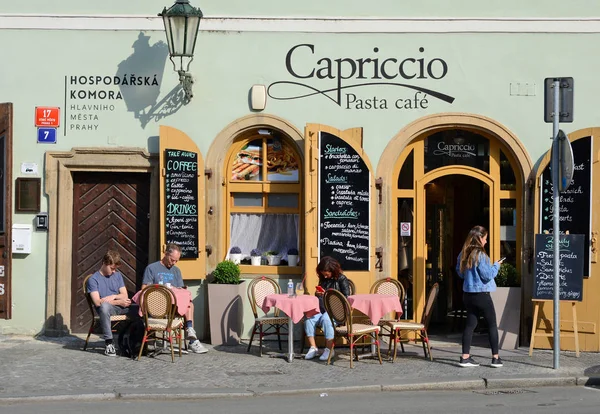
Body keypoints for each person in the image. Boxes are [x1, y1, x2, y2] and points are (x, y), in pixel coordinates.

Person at [141, 243, 208, 354]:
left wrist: (180, 289)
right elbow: (144, 288)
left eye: (177, 261)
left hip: (173, 307)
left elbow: (180, 289)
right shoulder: (152, 268)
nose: (174, 263)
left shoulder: (176, 271)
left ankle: (191, 336)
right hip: (157, 305)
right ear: (166, 254)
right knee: (187, 304)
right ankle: (191, 340)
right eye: (172, 260)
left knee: (189, 304)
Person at [455, 225, 504, 368]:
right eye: (485, 238)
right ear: (479, 238)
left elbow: (460, 273)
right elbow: (487, 275)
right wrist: (496, 265)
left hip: (468, 295)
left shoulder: (463, 253)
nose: (486, 242)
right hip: (482, 294)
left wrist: (470, 277)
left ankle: (465, 357)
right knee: (492, 325)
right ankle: (496, 358)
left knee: (470, 325)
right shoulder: (481, 255)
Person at [86, 250, 137, 357]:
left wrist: (113, 296)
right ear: (104, 263)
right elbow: (98, 302)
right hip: (107, 310)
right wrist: (119, 301)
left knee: (140, 308)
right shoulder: (93, 279)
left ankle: (136, 343)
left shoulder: (117, 276)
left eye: (115, 269)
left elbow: (125, 295)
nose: (114, 271)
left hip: (121, 307)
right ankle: (109, 343)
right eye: (112, 268)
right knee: (104, 306)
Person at [304, 256, 351, 361]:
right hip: (322, 308)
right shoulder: (323, 279)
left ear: (333, 270)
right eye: (322, 272)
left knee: (326, 318)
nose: (324, 275)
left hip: (337, 312)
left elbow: (347, 298)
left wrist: (326, 294)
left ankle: (329, 349)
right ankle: (313, 348)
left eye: (326, 273)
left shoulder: (342, 279)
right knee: (309, 317)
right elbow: (320, 298)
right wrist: (318, 294)